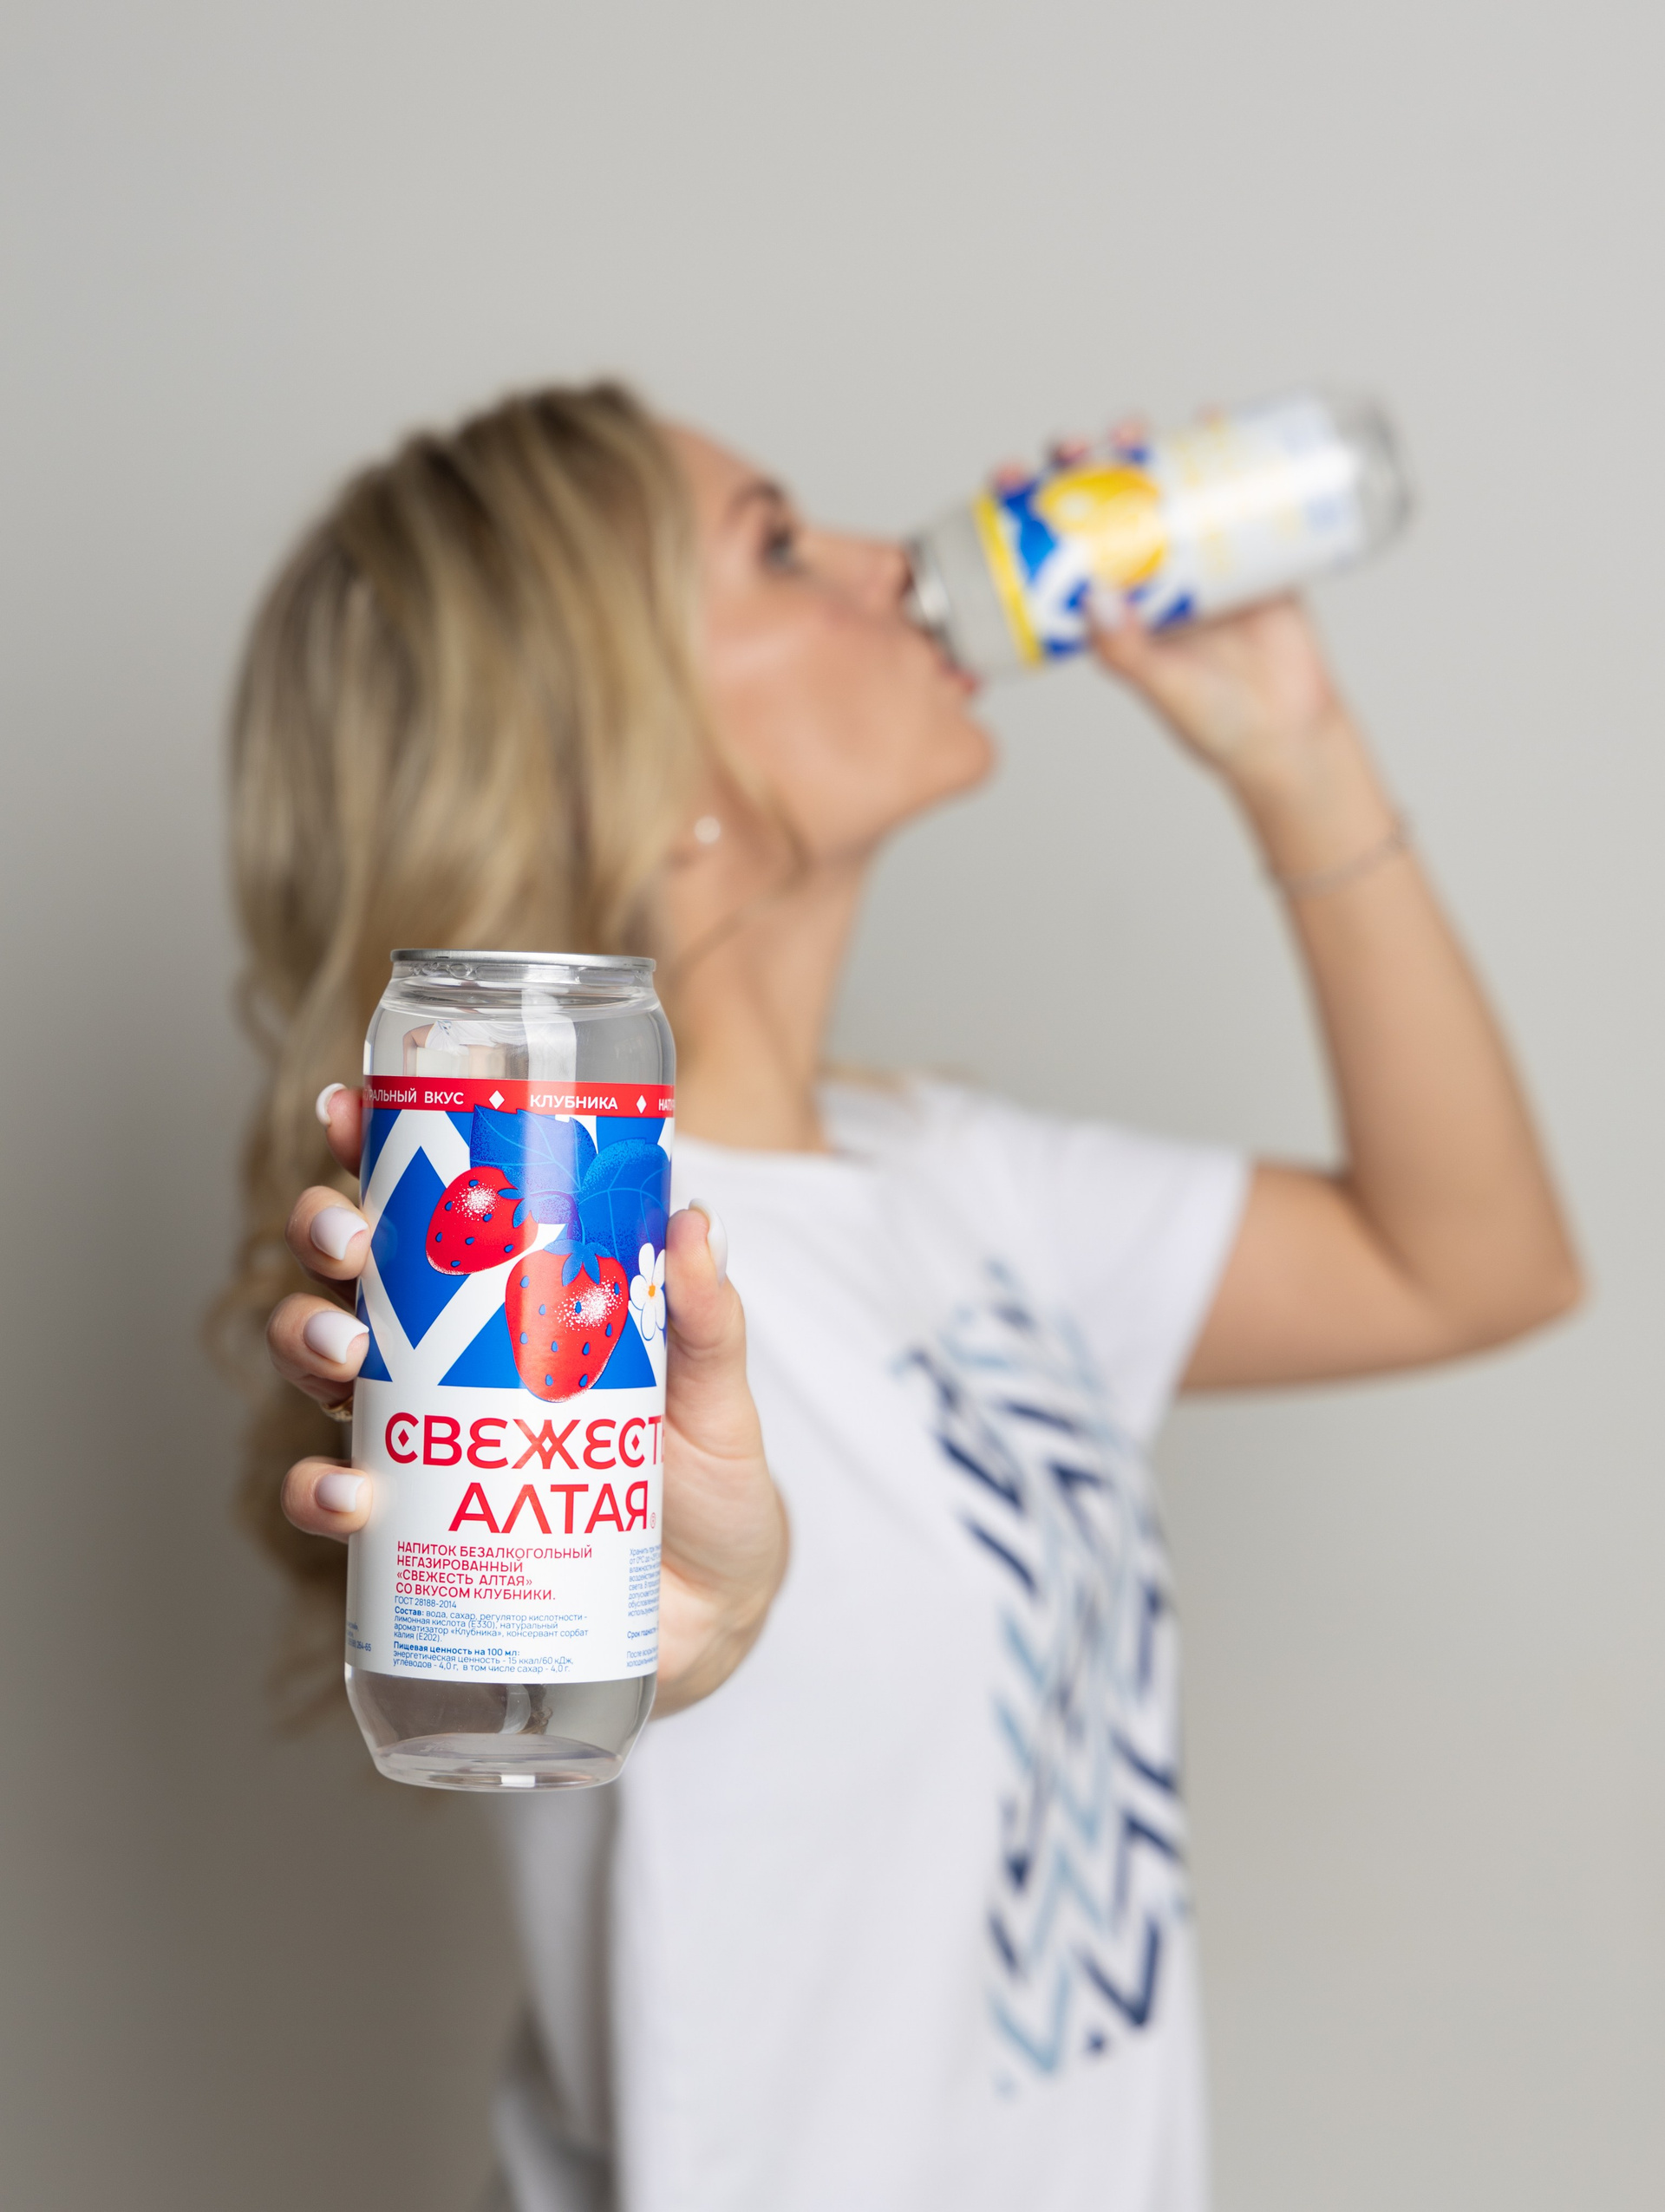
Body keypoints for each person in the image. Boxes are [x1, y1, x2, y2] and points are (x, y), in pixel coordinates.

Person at [221, 382, 1580, 2212]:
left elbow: (1473, 1263)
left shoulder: (945, 1174)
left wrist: (1295, 747)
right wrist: (667, 1614)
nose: (893, 563)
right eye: (780, 547)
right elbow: (677, 1628)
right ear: (637, 754)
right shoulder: (569, 1270)